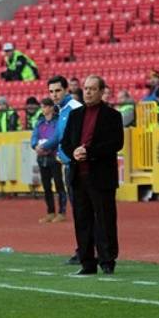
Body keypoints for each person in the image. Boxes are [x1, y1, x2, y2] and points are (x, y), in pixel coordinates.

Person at [61, 76, 124, 275]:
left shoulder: (112, 115)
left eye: (92, 89)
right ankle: (87, 262)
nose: (87, 92)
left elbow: (116, 143)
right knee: (82, 220)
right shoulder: (75, 115)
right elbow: (65, 142)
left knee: (105, 219)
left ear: (101, 91)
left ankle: (107, 260)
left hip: (101, 176)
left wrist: (90, 152)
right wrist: (74, 152)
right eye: (86, 88)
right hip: (78, 176)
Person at [36, 75, 83, 264]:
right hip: (70, 166)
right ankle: (83, 250)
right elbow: (58, 135)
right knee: (79, 211)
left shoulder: (75, 108)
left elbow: (82, 137)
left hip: (79, 167)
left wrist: (67, 155)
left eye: (57, 91)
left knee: (84, 210)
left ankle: (89, 251)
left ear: (66, 90)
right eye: (51, 91)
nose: (54, 95)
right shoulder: (63, 110)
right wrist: (44, 145)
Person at [31, 98, 66, 223]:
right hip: (42, 158)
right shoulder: (40, 122)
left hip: (54, 157)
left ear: (51, 107)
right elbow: (34, 136)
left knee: (59, 185)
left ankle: (62, 212)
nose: (43, 109)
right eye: (42, 106)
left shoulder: (57, 122)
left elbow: (57, 137)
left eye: (45, 106)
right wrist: (35, 146)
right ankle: (50, 212)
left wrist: (44, 147)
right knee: (46, 187)